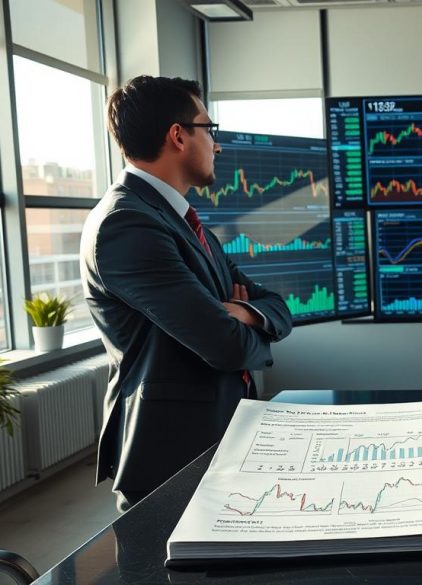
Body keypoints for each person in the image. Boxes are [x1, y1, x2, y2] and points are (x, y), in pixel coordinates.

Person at [80, 75, 293, 510]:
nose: (216, 146)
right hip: (170, 458)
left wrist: (244, 312)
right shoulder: (127, 226)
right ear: (178, 136)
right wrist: (234, 318)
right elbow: (225, 346)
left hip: (218, 440)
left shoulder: (186, 224)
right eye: (208, 130)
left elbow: (279, 307)